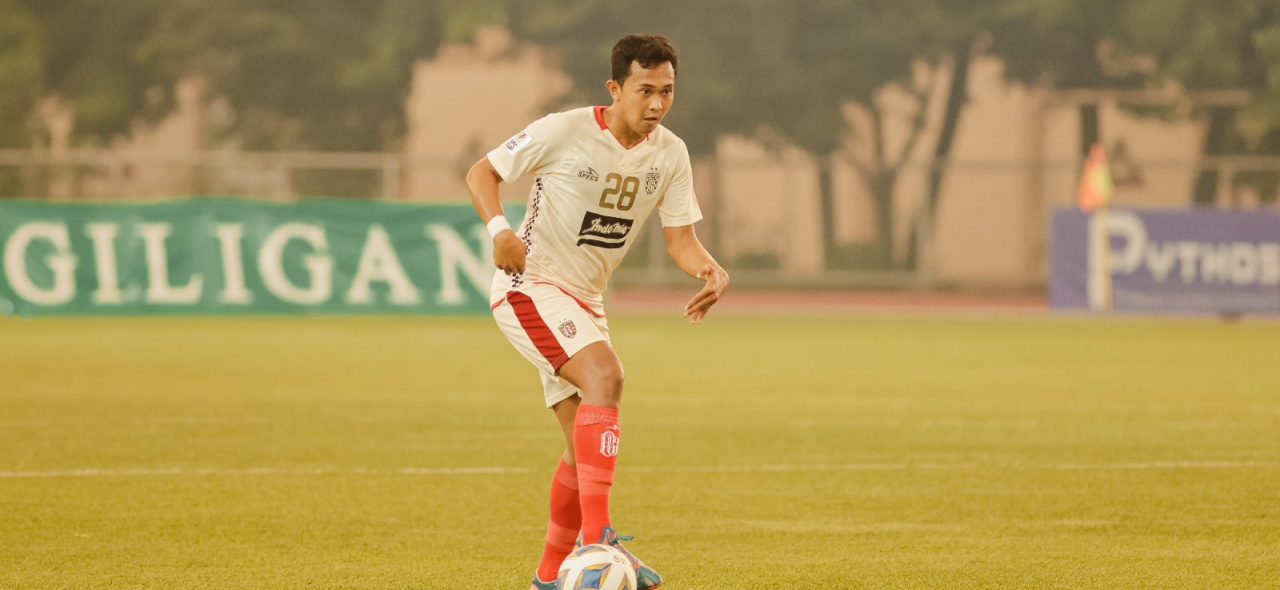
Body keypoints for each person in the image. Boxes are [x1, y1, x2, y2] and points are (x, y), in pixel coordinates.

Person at [465, 33, 729, 590]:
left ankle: (547, 577)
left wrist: (709, 269)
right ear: (615, 88)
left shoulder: (671, 153)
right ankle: (598, 539)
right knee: (606, 376)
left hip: (585, 302)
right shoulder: (564, 130)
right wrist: (500, 231)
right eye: (644, 90)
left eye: (666, 91)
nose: (656, 103)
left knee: (577, 450)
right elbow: (481, 172)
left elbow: (681, 240)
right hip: (529, 286)